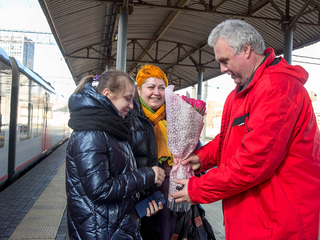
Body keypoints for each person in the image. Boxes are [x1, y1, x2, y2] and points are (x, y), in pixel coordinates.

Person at [171, 19, 320, 239]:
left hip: (277, 222)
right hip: (254, 216)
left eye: (225, 60)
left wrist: (197, 189)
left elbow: (254, 161)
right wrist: (202, 158)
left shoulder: (277, 89)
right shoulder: (241, 93)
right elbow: (232, 139)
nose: (222, 69)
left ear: (247, 50)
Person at [66, 69, 165, 240]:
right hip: (100, 231)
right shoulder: (91, 133)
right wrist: (149, 174)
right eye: (127, 98)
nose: (132, 105)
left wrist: (142, 201)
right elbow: (100, 189)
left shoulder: (111, 128)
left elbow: (119, 177)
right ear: (108, 94)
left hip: (113, 227)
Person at [129, 64, 176, 240]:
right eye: (151, 87)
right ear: (139, 90)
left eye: (161, 88)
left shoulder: (175, 117)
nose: (156, 92)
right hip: (138, 197)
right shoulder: (129, 116)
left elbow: (194, 155)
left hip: (169, 197)